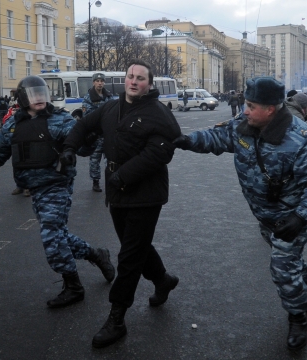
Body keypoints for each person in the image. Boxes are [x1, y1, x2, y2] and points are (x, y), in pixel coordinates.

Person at [173, 76, 307, 351]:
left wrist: (300, 217)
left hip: (292, 219)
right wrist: (186, 141)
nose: (244, 110)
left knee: (282, 265)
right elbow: (217, 137)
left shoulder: (302, 138)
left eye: (250, 105)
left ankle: (297, 317)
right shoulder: (244, 127)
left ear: (270, 109)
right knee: (291, 260)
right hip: (265, 217)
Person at [0, 75, 115, 308]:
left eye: (41, 93)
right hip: (35, 189)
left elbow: (81, 146)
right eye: (33, 94)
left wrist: (90, 139)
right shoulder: (12, 125)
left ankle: (73, 286)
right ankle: (96, 254)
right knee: (59, 235)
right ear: (24, 98)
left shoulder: (61, 120)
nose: (39, 98)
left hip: (57, 185)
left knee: (51, 236)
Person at [62, 59, 182, 348]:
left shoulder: (159, 114)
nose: (133, 81)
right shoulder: (111, 107)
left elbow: (160, 153)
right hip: (117, 192)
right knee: (137, 246)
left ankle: (117, 318)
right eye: (130, 76)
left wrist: (121, 177)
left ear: (148, 84)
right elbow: (83, 125)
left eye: (140, 78)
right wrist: (68, 148)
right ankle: (163, 280)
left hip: (146, 193)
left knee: (128, 257)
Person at [82, 72, 114, 193]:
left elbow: (114, 111)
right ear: (93, 82)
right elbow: (88, 116)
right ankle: (95, 182)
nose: (100, 83)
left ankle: (110, 180)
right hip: (95, 135)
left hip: (107, 134)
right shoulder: (88, 97)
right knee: (94, 160)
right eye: (97, 81)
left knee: (110, 159)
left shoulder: (108, 96)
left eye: (102, 81)